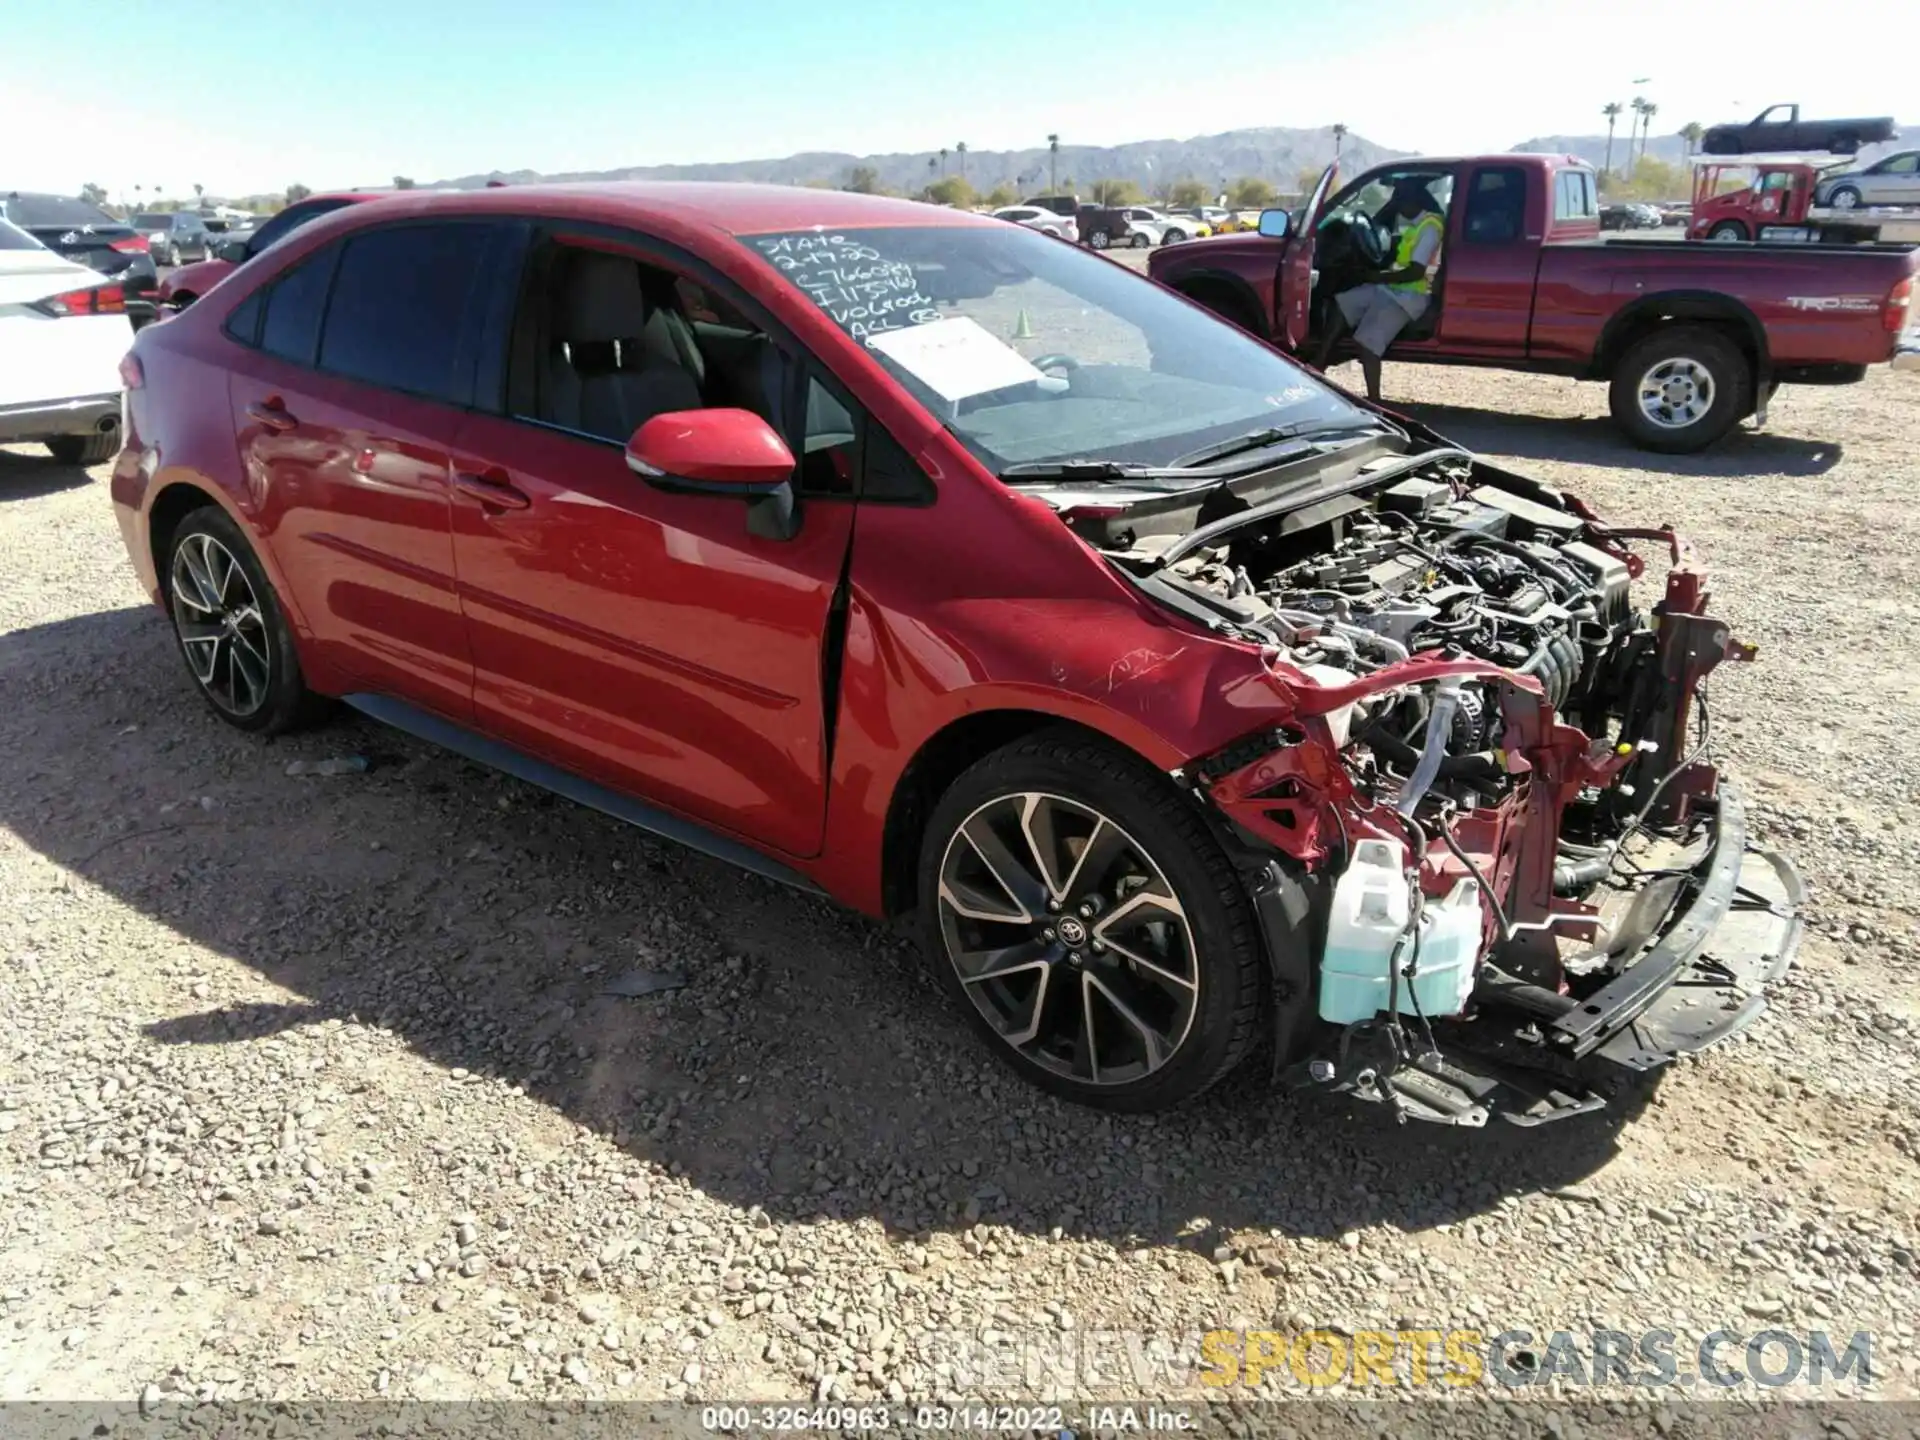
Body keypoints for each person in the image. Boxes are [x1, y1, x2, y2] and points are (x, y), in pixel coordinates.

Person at [1313, 178, 1446, 401]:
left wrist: (1376, 276)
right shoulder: (1419, 224)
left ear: (1413, 200)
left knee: (1367, 343)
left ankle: (1374, 401)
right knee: (1344, 302)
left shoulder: (1430, 228)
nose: (1398, 208)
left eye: (1400, 202)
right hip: (1393, 288)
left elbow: (1414, 272)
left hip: (1409, 296)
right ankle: (1319, 362)